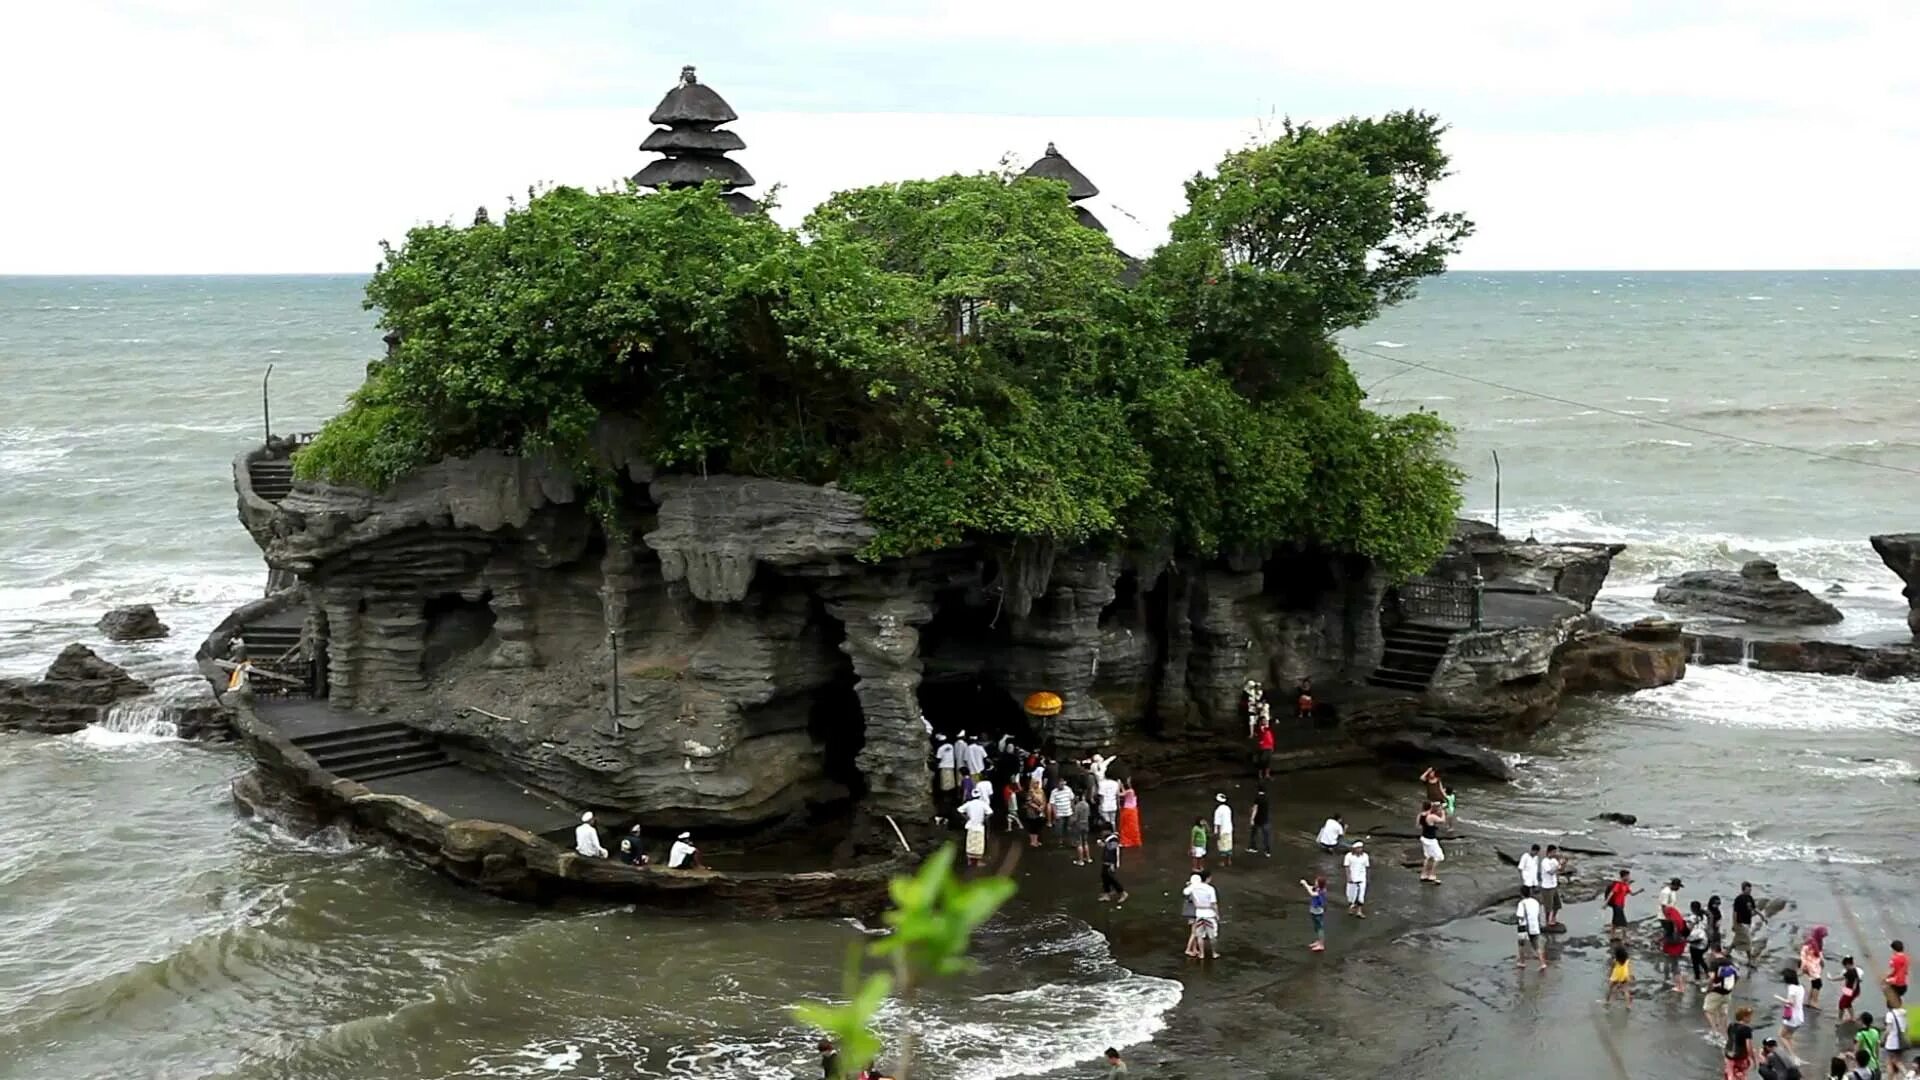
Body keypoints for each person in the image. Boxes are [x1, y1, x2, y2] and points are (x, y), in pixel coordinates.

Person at [1185, 869, 1219, 959]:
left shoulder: (1194, 888)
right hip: (1209, 914)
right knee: (1212, 935)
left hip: (1199, 913)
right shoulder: (1210, 889)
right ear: (1208, 878)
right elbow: (1213, 903)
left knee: (1200, 935)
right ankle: (1214, 953)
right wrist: (1217, 914)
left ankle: (1201, 953)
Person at [1706, 950, 1740, 1036]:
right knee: (1723, 1012)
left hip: (1716, 992)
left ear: (1713, 952)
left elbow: (1712, 977)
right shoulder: (1730, 962)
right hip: (1727, 992)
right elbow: (1737, 975)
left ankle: (1715, 1031)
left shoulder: (1714, 963)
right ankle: (1724, 1032)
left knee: (1708, 1010)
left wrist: (1709, 988)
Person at [1778, 968, 1807, 1064]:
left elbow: (1791, 1002)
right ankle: (1793, 1056)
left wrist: (1780, 999)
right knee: (1789, 1037)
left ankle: (1792, 1056)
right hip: (1799, 1016)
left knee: (1781, 1036)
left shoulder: (1791, 988)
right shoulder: (1801, 987)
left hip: (1792, 1017)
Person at [1662, 902, 1691, 992]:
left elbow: (1672, 939)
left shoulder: (1672, 926)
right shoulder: (1676, 916)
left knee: (1675, 966)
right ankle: (1674, 981)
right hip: (1678, 946)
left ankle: (1680, 987)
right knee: (1672, 964)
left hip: (1674, 948)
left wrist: (1664, 941)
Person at [1604, 870, 1640, 943]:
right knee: (1623, 923)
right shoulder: (1618, 884)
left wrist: (1639, 891)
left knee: (1614, 921)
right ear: (1624, 876)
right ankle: (1625, 939)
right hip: (1617, 905)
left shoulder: (1625, 885)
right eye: (1628, 876)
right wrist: (1605, 903)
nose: (1629, 877)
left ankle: (1612, 936)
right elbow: (1612, 893)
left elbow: (1632, 894)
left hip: (1621, 905)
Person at [1516, 889, 1547, 970]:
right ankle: (1542, 963)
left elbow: (1520, 916)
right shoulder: (1535, 902)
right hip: (1535, 926)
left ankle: (1522, 962)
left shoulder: (1522, 903)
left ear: (1522, 894)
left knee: (1521, 945)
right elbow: (1538, 914)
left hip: (1524, 927)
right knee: (1536, 946)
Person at [959, 787, 991, 867]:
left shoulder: (969, 803)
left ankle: (969, 861)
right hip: (979, 826)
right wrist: (984, 819)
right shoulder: (983, 804)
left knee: (970, 843)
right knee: (979, 844)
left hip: (971, 825)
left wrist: (966, 818)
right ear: (979, 796)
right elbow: (990, 812)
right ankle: (978, 861)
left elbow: (959, 810)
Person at [1733, 882, 1763, 966]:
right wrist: (1734, 924)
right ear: (1744, 889)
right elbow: (1735, 912)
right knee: (1748, 941)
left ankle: (1727, 950)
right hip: (1740, 922)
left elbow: (1754, 908)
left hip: (1747, 922)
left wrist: (1762, 916)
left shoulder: (1750, 898)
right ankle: (1750, 960)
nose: (1750, 891)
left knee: (1736, 940)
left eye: (1750, 889)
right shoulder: (1738, 899)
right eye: (1748, 889)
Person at [1802, 926, 1829, 1011]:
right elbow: (1815, 954)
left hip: (1813, 965)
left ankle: (1809, 1001)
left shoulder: (1817, 940)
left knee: (1814, 983)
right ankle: (1814, 1002)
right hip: (1811, 965)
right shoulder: (1812, 943)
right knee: (1818, 983)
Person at [1417, 801, 1445, 884]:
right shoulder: (1431, 816)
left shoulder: (1420, 815)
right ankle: (1432, 875)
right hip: (1431, 840)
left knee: (1428, 856)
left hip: (1424, 837)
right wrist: (1443, 812)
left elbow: (1417, 826)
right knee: (1439, 857)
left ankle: (1423, 874)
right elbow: (1442, 821)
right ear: (1430, 807)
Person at [1726, 1005, 1757, 1080]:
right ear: (1744, 1017)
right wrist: (1753, 1059)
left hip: (1729, 1054)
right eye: (1749, 1016)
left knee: (1730, 1072)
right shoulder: (1746, 1029)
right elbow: (1748, 1047)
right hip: (1740, 1056)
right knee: (1741, 1074)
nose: (1751, 1018)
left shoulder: (1731, 1025)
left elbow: (1730, 1038)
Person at [1540, 845, 1566, 929]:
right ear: (1549, 852)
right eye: (1553, 852)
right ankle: (1548, 922)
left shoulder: (1554, 860)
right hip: (1547, 887)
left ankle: (1553, 918)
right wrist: (1558, 866)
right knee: (1548, 906)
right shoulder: (1545, 862)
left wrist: (1563, 864)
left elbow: (1561, 870)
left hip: (1554, 885)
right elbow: (1550, 872)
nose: (1555, 854)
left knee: (1557, 905)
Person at [1300, 876, 1328, 952]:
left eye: (1316, 882)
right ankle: (1319, 941)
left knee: (1320, 928)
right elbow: (1311, 888)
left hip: (1318, 912)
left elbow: (1312, 893)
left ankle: (1321, 945)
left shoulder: (1321, 892)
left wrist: (1305, 884)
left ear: (1320, 884)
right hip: (1314, 911)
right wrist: (1306, 884)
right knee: (1316, 927)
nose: (1315, 882)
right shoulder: (1317, 888)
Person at [1342, 841, 1370, 918]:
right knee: (1351, 895)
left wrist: (1367, 878)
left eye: (1361, 848)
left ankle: (1359, 911)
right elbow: (1347, 867)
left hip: (1361, 878)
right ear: (1354, 849)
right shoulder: (1348, 856)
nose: (1360, 849)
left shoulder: (1365, 856)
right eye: (1358, 848)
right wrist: (1348, 877)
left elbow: (1366, 867)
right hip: (1352, 878)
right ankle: (1351, 908)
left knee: (1361, 896)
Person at [1098, 831, 1127, 904]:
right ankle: (1107, 893)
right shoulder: (1110, 841)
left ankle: (1122, 892)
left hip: (1110, 863)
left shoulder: (1113, 840)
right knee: (1104, 876)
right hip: (1106, 862)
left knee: (1111, 878)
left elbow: (1111, 853)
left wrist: (1112, 865)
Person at [1689, 901, 1712, 984]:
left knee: (1695, 961)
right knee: (1700, 958)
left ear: (1692, 908)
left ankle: (1697, 978)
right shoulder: (1705, 917)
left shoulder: (1692, 917)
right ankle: (1707, 972)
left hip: (1695, 941)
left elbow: (1690, 928)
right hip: (1704, 940)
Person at [1023, 774, 1048, 849]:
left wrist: (1042, 807)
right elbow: (1029, 801)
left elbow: (1044, 800)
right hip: (1032, 812)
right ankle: (1032, 841)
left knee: (1038, 827)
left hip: (1040, 812)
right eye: (1035, 783)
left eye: (1037, 783)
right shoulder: (1030, 792)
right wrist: (1037, 807)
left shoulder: (1041, 791)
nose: (1036, 784)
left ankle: (1036, 841)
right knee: (1032, 827)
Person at [1117, 780, 1143, 849]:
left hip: (1128, 810)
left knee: (1125, 826)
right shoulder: (1131, 791)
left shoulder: (1130, 791)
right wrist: (1121, 785)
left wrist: (1118, 787)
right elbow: (1124, 792)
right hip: (1133, 810)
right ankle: (1133, 841)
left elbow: (1120, 794)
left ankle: (1126, 842)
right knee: (1132, 826)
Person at [1247, 787, 1273, 857]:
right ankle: (1267, 851)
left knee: (1254, 834)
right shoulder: (1267, 798)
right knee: (1266, 837)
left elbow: (1255, 809)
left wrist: (1252, 819)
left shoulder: (1257, 798)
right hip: (1265, 819)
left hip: (1257, 820)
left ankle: (1253, 847)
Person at [1605, 943, 1633, 1008]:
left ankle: (1607, 1001)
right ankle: (1628, 1005)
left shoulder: (1615, 961)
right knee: (1626, 991)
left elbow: (1611, 969)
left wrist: (1609, 975)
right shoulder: (1627, 961)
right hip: (1624, 976)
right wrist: (1630, 975)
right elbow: (1629, 968)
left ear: (1616, 955)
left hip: (1616, 976)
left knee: (1610, 988)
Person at [1048, 779, 1074, 847]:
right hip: (1060, 813)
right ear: (1057, 785)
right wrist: (1055, 813)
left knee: (1070, 828)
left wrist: (1072, 809)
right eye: (1060, 784)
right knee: (1059, 829)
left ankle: (1071, 841)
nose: (1061, 786)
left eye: (1062, 784)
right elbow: (1052, 804)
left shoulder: (1068, 789)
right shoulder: (1054, 792)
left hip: (1068, 812)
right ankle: (1060, 842)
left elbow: (1071, 799)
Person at [1856, 1012, 1883, 1077]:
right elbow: (1877, 1049)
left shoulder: (1860, 1034)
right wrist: (1877, 1060)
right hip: (1875, 1064)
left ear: (1862, 1021)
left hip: (1865, 1064)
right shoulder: (1875, 1032)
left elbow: (1857, 1051)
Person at [1068, 792, 1092, 866]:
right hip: (1086, 824)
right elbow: (1089, 814)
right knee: (1085, 842)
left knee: (1079, 843)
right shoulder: (1087, 805)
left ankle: (1080, 860)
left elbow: (1074, 818)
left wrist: (1070, 824)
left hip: (1078, 825)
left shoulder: (1077, 806)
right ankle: (1088, 858)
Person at [1211, 793, 1234, 866]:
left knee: (1222, 847)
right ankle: (1229, 860)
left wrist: (1216, 833)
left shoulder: (1218, 810)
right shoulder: (1228, 808)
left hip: (1222, 830)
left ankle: (1223, 862)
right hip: (1229, 828)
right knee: (1229, 845)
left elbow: (1217, 823)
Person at [1888, 940, 1910, 1008]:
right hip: (1904, 983)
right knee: (1898, 997)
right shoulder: (1906, 958)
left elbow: (1892, 971)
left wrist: (1885, 978)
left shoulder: (1894, 959)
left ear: (1894, 949)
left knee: (1891, 1000)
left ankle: (1893, 1015)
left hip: (1896, 983)